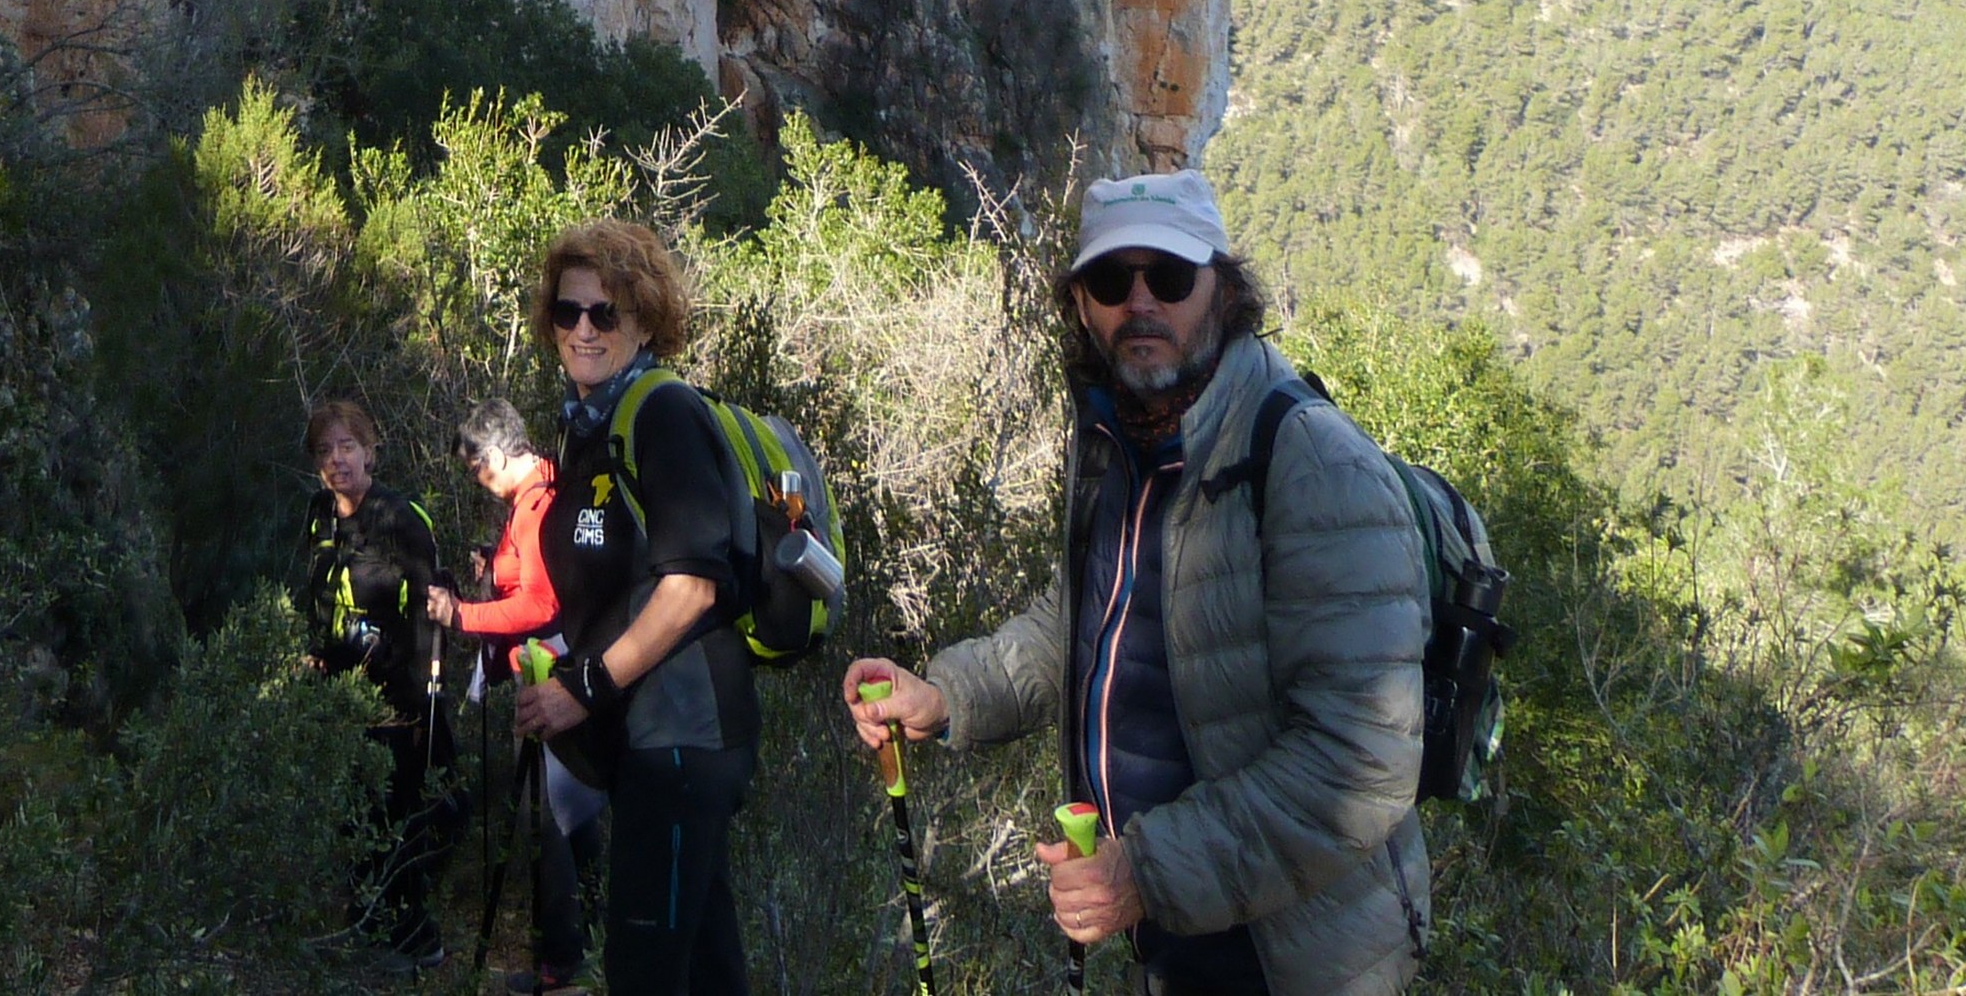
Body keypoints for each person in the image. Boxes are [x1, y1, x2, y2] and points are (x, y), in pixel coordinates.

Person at [844, 167, 1429, 996]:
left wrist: (1142, 872)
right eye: (1114, 280)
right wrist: (944, 695)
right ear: (1082, 305)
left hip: (1298, 957)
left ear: (1224, 291)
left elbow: (1362, 760)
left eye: (1172, 276)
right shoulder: (1121, 446)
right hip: (1177, 940)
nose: (1141, 301)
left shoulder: (1313, 463)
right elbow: (1080, 626)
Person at [506, 221, 755, 996]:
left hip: (682, 736)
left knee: (643, 973)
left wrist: (583, 688)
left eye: (604, 313)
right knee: (707, 970)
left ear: (644, 321)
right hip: (647, 741)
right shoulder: (588, 428)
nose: (583, 329)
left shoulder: (661, 413)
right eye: (568, 311)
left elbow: (691, 586)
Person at [429, 397, 606, 991]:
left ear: (497, 456)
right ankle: (595, 945)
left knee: (547, 819)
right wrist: (496, 566)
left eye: (477, 469)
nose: (478, 481)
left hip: (551, 677)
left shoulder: (535, 506)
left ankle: (561, 964)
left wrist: (463, 615)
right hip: (571, 671)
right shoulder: (549, 484)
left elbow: (539, 603)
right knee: (575, 814)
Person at [302, 396, 448, 960]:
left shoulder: (399, 518)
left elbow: (430, 611)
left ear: (369, 451)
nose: (337, 460)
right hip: (339, 692)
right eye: (325, 450)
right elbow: (315, 592)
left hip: (396, 697)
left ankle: (414, 936)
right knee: (352, 813)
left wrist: (424, 699)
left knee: (396, 815)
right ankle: (364, 925)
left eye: (347, 446)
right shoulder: (319, 514)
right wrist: (313, 650)